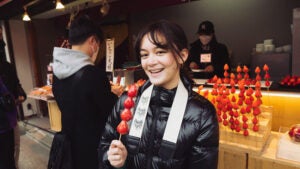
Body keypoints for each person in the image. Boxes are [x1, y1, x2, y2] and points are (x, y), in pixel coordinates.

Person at [98, 20, 219, 169]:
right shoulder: (127, 101)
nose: (151, 62)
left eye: (160, 52)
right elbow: (105, 146)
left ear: (182, 55)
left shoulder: (201, 114)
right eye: (144, 55)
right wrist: (115, 161)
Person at [51, 15, 118, 169]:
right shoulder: (94, 75)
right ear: (93, 41)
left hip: (68, 148)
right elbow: (110, 111)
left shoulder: (57, 72)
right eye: (98, 44)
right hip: (91, 150)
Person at [0, 26, 26, 169]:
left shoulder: (7, 66)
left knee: (14, 151)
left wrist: (20, 94)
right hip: (2, 123)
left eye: (0, 34)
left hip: (10, 120)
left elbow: (16, 84)